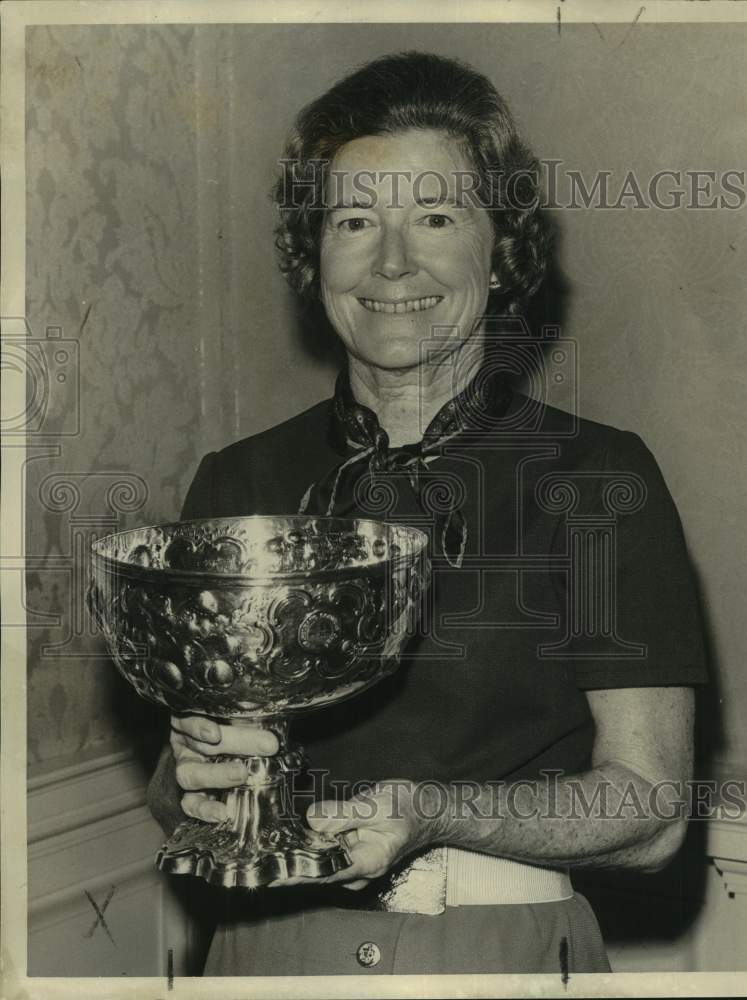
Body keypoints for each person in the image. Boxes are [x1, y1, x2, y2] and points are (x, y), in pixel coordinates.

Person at [147, 51, 707, 976]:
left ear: (502, 245)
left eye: (436, 216)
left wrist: (432, 813)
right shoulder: (237, 480)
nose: (392, 262)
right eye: (355, 220)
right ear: (313, 252)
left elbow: (650, 811)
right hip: (261, 952)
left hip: (498, 949)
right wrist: (199, 782)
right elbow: (178, 798)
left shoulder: (598, 475)